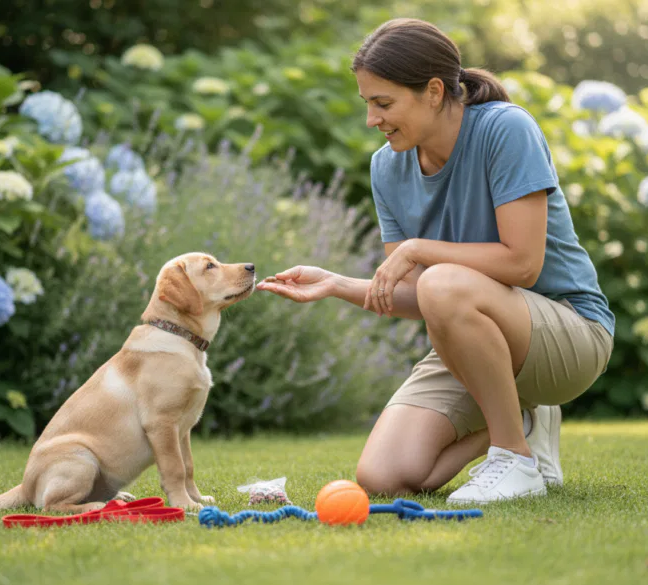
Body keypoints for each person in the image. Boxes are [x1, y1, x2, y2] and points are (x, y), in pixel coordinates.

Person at [256, 17, 615, 504]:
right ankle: (521, 424)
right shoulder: (386, 167)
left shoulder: (506, 129)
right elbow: (420, 296)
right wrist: (338, 284)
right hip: (478, 341)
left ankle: (515, 460)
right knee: (384, 476)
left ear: (431, 91)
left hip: (570, 335)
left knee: (443, 282)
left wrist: (420, 250)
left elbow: (523, 265)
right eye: (368, 104)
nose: (372, 120)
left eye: (383, 103)